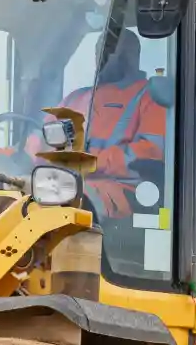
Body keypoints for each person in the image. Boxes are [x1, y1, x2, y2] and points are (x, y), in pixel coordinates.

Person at [49, 24, 167, 218]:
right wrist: (13, 155)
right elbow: (41, 137)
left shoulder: (151, 97)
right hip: (66, 182)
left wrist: (93, 162)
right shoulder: (76, 97)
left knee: (65, 204)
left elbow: (149, 155)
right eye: (100, 50)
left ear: (131, 57)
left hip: (122, 190)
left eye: (110, 50)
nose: (102, 57)